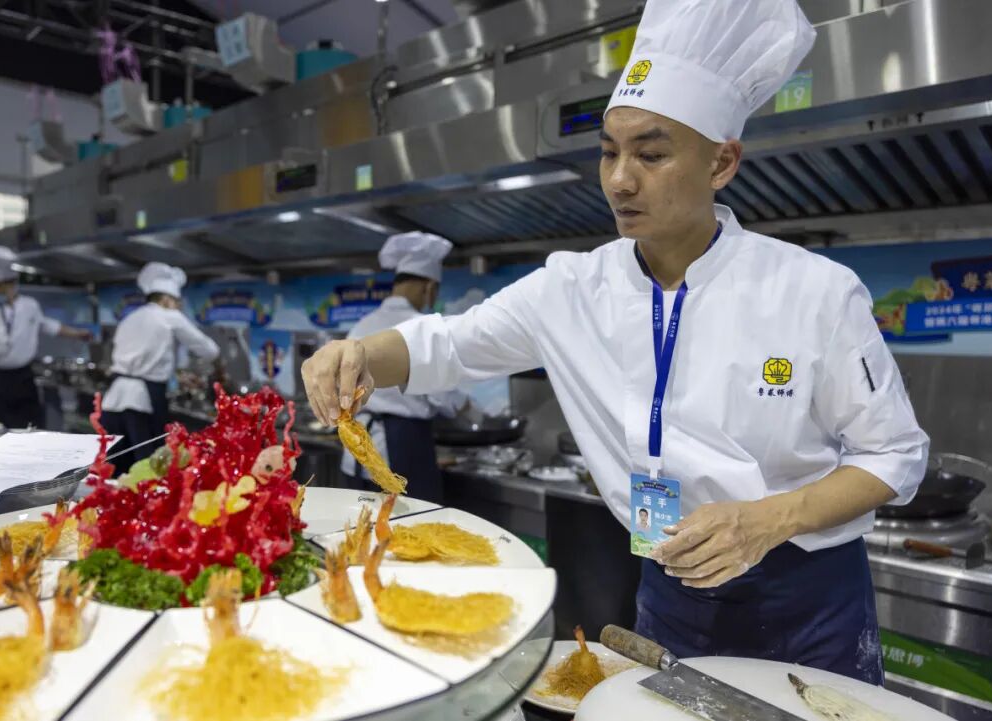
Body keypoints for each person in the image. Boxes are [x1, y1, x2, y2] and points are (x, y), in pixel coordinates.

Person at [302, 0, 928, 685]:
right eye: (608, 152)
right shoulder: (572, 289)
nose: (621, 179)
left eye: (651, 154)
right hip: (669, 591)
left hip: (805, 597)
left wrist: (768, 519)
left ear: (722, 162)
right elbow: (446, 345)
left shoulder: (814, 292)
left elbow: (894, 455)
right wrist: (359, 354)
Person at [335, 232, 467, 504]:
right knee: (411, 525)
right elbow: (444, 397)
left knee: (360, 525)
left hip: (356, 452)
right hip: (403, 450)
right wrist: (466, 406)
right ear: (428, 287)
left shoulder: (361, 326)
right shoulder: (424, 328)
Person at [101, 262, 220, 470]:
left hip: (113, 399)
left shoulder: (130, 318)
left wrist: (177, 371)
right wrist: (216, 365)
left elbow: (141, 354)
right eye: (176, 302)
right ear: (166, 299)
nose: (178, 307)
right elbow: (209, 350)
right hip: (143, 399)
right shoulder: (169, 316)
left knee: (115, 463)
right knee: (150, 465)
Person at [0, 245, 92, 428]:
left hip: (22, 377)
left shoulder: (29, 306)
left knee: (27, 427)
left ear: (12, 284)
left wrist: (78, 334)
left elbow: (49, 326)